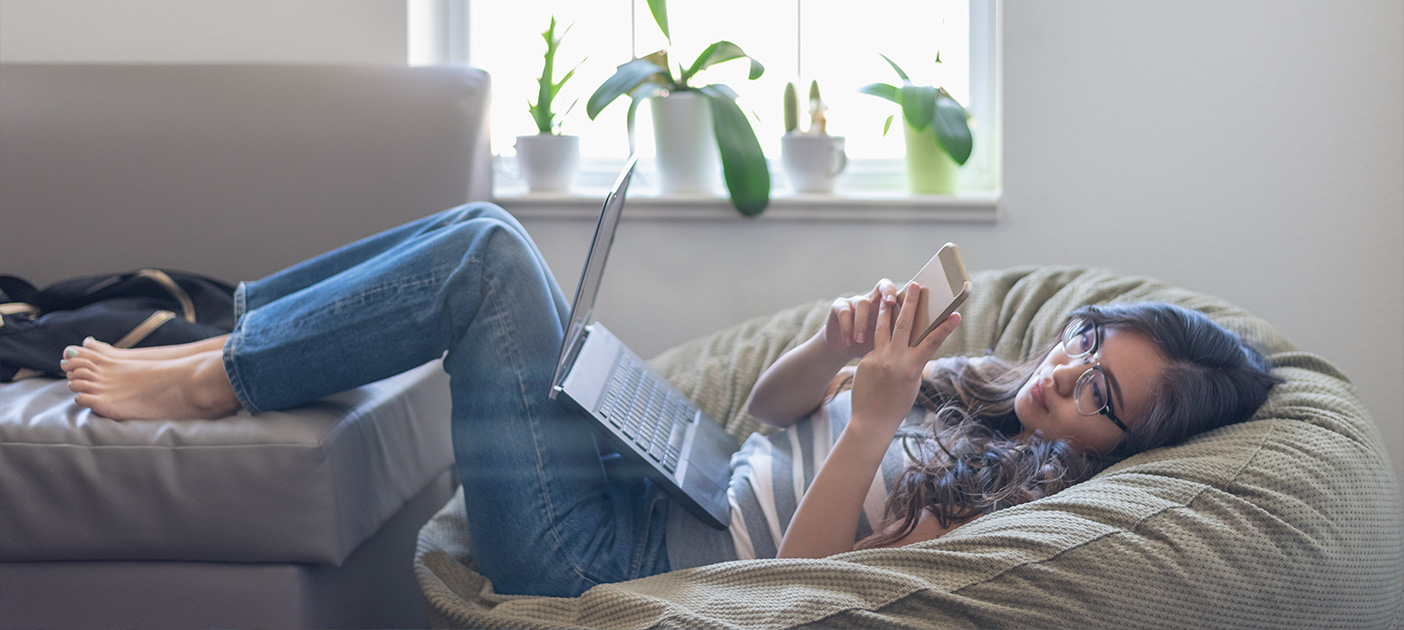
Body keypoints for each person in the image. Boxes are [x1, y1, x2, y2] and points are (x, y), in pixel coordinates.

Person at [55, 203, 1279, 597]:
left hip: (609, 553)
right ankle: (236, 338)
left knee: (487, 264)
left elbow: (793, 590)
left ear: (1123, 452)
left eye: (1099, 397)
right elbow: (762, 408)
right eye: (1081, 347)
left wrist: (866, 422)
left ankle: (220, 375)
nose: (1062, 376)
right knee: (491, 227)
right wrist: (835, 349)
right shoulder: (984, 399)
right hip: (664, 473)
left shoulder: (1008, 511)